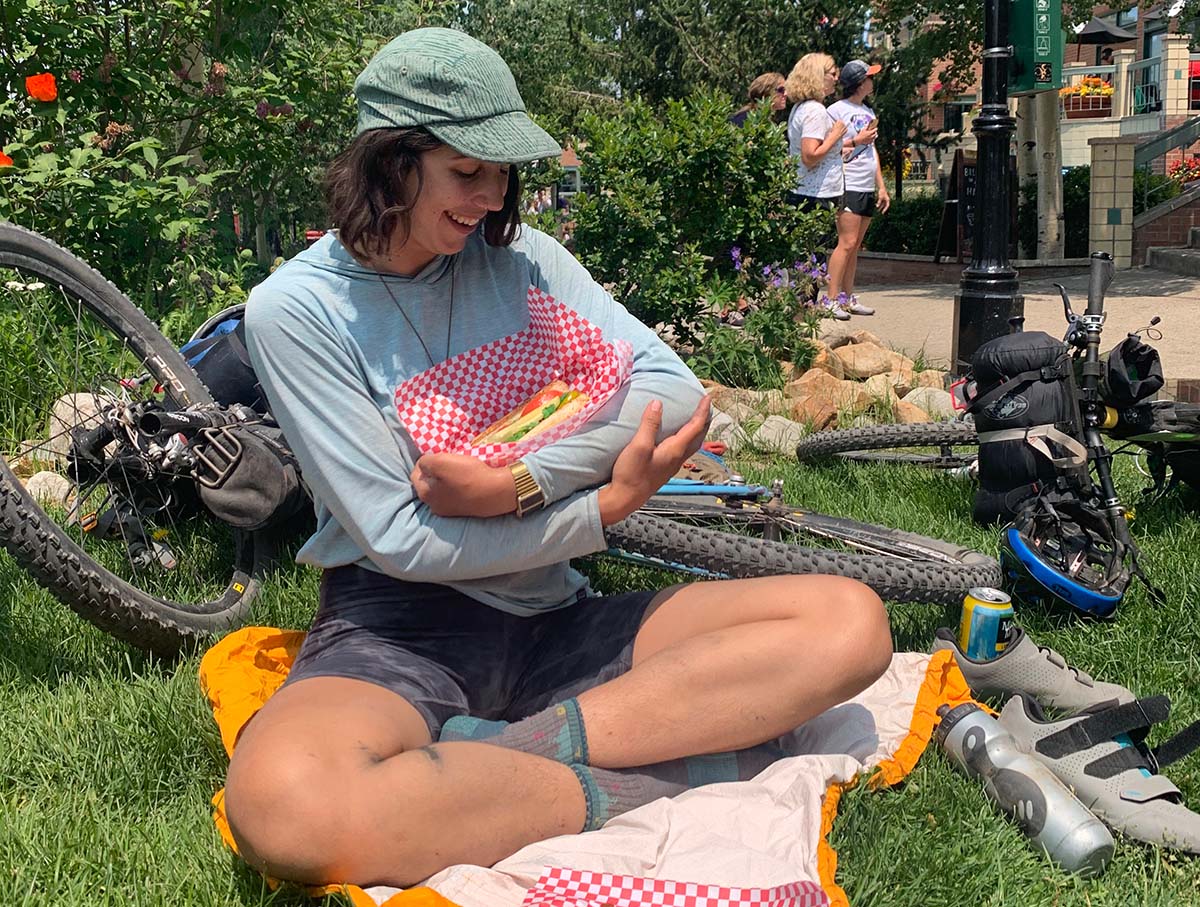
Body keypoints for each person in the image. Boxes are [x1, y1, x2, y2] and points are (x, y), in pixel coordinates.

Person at [223, 28, 892, 889]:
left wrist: (521, 482)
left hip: (557, 617)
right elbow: (400, 537)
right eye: (468, 170)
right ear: (391, 162)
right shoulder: (298, 311)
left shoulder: (523, 263)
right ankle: (645, 773)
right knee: (285, 808)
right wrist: (600, 510)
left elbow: (677, 395)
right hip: (397, 630)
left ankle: (503, 760)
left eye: (502, 172)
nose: (491, 195)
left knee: (850, 623)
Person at [784, 53, 849, 320]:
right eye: (831, 73)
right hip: (815, 194)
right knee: (812, 258)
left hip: (807, 191)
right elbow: (810, 156)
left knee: (808, 258)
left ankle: (802, 313)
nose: (835, 78)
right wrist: (835, 134)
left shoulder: (802, 108)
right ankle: (803, 316)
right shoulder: (814, 110)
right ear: (816, 76)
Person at [826, 60, 891, 318]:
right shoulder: (835, 110)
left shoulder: (868, 111)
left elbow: (871, 149)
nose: (873, 82)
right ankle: (830, 299)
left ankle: (847, 297)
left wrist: (882, 186)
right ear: (859, 82)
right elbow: (829, 146)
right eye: (869, 78)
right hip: (847, 181)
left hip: (865, 182)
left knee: (856, 245)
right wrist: (855, 140)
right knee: (846, 242)